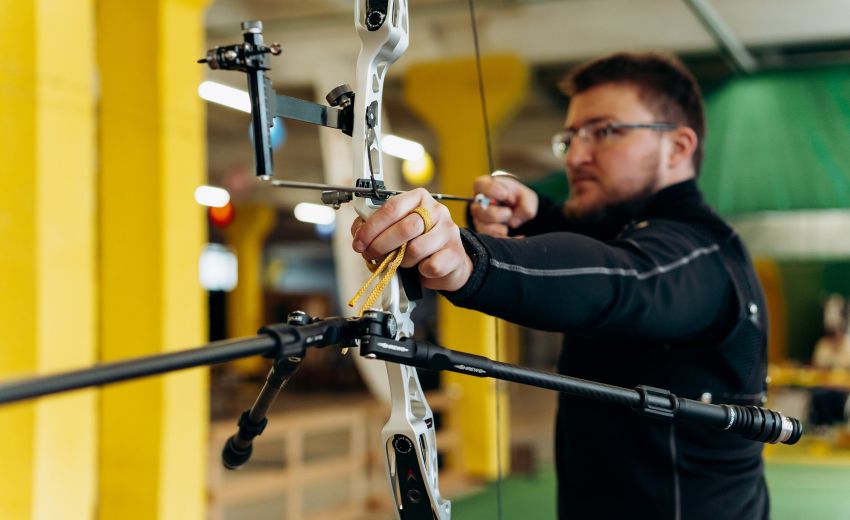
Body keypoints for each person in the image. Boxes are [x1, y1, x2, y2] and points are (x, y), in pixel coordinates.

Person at [351, 52, 769, 519]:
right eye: (570, 138)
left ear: (677, 147)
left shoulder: (703, 256)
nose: (576, 156)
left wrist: (468, 258)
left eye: (605, 131)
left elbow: (622, 279)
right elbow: (600, 244)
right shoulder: (629, 232)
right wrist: (536, 216)